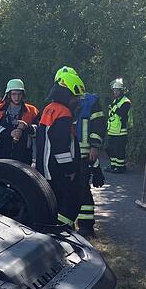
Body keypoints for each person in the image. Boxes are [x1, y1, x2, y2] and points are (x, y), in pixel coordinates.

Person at [54, 67, 106, 237]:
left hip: (83, 155)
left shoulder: (90, 101)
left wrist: (94, 146)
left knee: (83, 189)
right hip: (68, 155)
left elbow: (99, 124)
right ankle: (69, 224)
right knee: (68, 190)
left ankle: (87, 226)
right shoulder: (59, 105)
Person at [36, 71, 88, 227]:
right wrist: (70, 169)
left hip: (46, 168)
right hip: (58, 170)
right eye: (75, 97)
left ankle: (54, 230)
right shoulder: (63, 113)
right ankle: (61, 232)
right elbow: (60, 146)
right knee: (69, 204)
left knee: (53, 203)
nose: (77, 102)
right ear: (67, 95)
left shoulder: (49, 108)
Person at [0, 79, 39, 164]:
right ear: (9, 95)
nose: (17, 97)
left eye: (19, 94)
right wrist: (10, 133)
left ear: (23, 95)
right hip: (0, 153)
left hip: (23, 155)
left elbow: (39, 129)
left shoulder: (32, 111)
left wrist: (26, 128)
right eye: (14, 94)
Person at [106, 78, 132, 173]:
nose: (115, 92)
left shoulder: (126, 101)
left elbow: (123, 114)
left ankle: (121, 167)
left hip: (121, 131)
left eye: (117, 90)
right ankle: (113, 166)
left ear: (121, 91)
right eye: (114, 90)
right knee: (110, 149)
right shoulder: (115, 101)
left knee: (119, 151)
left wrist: (115, 107)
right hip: (112, 130)